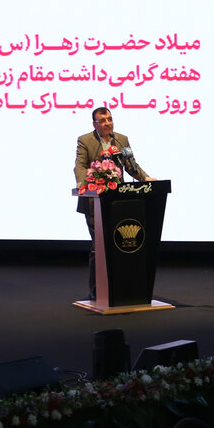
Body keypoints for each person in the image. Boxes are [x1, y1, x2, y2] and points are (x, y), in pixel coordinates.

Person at [74, 107, 152, 299]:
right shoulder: (85, 140)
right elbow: (80, 166)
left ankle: (121, 289)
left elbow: (131, 165)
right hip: (94, 201)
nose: (108, 123)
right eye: (103, 120)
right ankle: (96, 292)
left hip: (119, 203)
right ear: (95, 124)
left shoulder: (121, 140)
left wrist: (146, 178)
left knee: (120, 245)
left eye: (110, 119)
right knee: (99, 246)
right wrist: (83, 183)